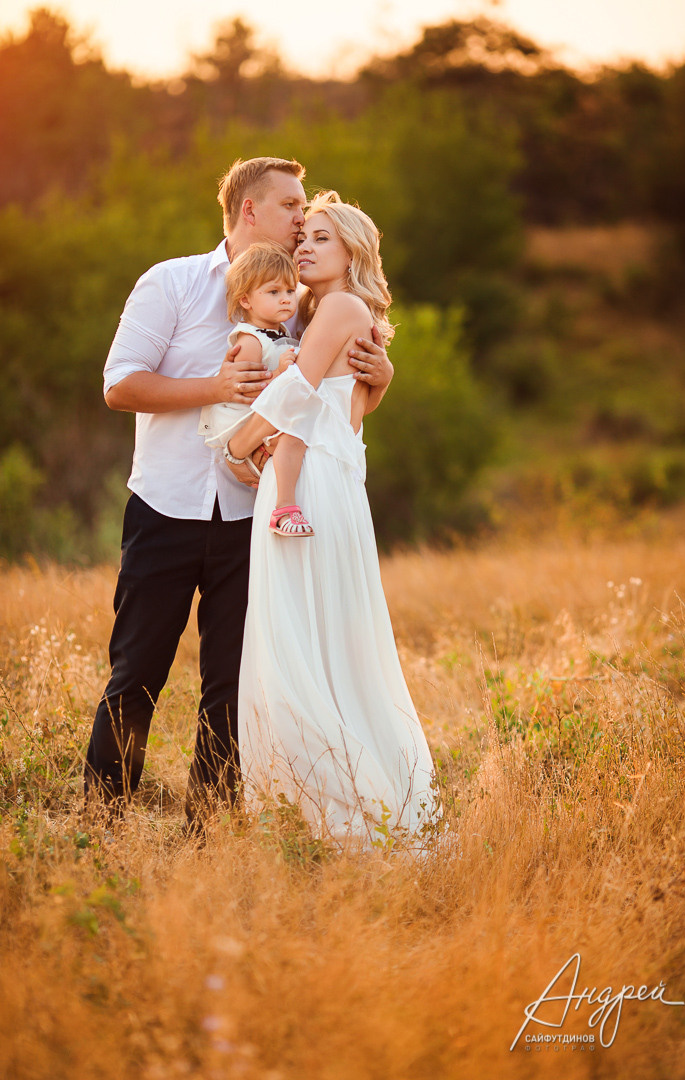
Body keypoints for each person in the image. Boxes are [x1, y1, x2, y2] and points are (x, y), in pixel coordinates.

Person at [84, 157, 394, 826]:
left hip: (253, 517)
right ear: (249, 211)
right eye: (291, 207)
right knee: (136, 673)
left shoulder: (304, 304)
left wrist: (382, 373)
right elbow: (119, 386)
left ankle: (209, 834)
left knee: (231, 685)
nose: (301, 221)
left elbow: (327, 401)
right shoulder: (170, 283)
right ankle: (100, 826)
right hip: (165, 507)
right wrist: (216, 390)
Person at [226, 191, 437, 845]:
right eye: (304, 236)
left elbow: (298, 394)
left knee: (296, 643)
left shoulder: (341, 306)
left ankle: (333, 805)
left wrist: (237, 443)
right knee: (321, 642)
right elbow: (350, 408)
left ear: (352, 251)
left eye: (321, 237)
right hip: (329, 481)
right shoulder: (332, 313)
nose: (305, 246)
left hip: (312, 484)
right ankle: (332, 799)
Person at [198, 240, 314, 537]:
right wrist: (278, 374)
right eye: (273, 292)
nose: (286, 299)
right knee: (292, 438)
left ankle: (287, 506)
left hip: (265, 414)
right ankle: (284, 509)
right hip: (240, 419)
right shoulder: (250, 340)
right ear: (246, 300)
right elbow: (244, 391)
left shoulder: (282, 332)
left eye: (290, 291)